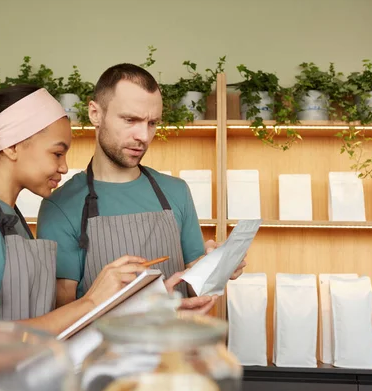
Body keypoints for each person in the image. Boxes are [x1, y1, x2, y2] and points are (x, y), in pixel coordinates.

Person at [0, 84, 151, 335]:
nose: (64, 167)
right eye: (57, 153)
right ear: (12, 146)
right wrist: (91, 301)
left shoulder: (10, 215)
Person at [37, 63, 246, 312]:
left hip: (175, 346)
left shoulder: (176, 192)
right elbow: (64, 315)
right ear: (95, 113)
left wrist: (214, 269)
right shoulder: (60, 207)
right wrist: (138, 311)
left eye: (152, 123)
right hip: (105, 351)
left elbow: (192, 289)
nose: (143, 136)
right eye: (130, 120)